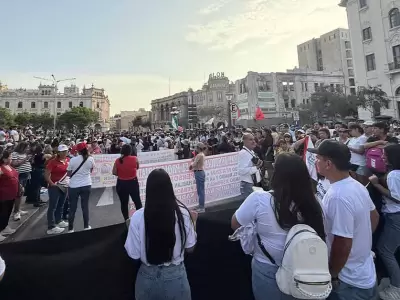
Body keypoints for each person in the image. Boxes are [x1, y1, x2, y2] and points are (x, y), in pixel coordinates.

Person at [231, 153, 326, 300]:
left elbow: (235, 223)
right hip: (305, 269)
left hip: (268, 268)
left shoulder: (259, 199)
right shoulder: (315, 203)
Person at [309, 140, 380, 300]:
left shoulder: (337, 196)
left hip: (348, 280)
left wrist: (333, 273)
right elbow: (374, 218)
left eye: (318, 158)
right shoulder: (356, 186)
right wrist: (361, 243)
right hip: (364, 271)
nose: (315, 162)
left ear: (328, 163)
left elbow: (343, 242)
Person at [125, 169, 197, 300]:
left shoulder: (137, 217)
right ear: (170, 188)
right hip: (176, 277)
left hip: (147, 279)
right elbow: (190, 248)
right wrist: (194, 224)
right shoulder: (183, 214)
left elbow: (133, 254)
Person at [369, 144, 400, 300]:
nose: (382, 157)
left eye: (385, 155)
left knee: (385, 251)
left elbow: (397, 197)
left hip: (395, 217)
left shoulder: (394, 174)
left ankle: (397, 288)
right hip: (394, 217)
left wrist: (376, 185)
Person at [67, 142, 95, 233]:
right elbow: (91, 170)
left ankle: (71, 228)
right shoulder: (91, 159)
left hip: (74, 186)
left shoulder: (73, 160)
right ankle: (86, 226)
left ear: (78, 151)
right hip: (86, 184)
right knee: (85, 206)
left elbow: (69, 173)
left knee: (72, 207)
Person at [112, 144, 142, 221]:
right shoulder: (135, 158)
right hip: (133, 182)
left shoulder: (118, 160)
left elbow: (114, 172)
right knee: (137, 201)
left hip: (121, 183)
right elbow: (137, 167)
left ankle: (126, 220)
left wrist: (122, 173)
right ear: (130, 151)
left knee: (124, 203)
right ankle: (140, 219)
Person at [45, 144, 70, 235]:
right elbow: (46, 174)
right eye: (63, 152)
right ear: (59, 153)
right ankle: (51, 226)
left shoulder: (68, 160)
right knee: (53, 206)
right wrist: (52, 184)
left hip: (65, 185)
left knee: (61, 204)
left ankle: (58, 220)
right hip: (55, 186)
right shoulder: (53, 162)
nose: (65, 153)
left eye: (66, 151)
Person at [0, 151, 19, 242]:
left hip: (12, 194)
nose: (11, 159)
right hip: (3, 195)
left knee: (8, 212)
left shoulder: (10, 167)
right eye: (10, 157)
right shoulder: (1, 168)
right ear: (4, 159)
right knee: (2, 213)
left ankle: (5, 227)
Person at [11, 141, 31, 221]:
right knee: (18, 193)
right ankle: (16, 212)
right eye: (26, 147)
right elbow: (14, 164)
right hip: (19, 175)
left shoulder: (24, 154)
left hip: (25, 174)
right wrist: (25, 159)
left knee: (21, 192)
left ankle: (19, 209)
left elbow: (26, 163)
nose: (28, 149)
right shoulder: (15, 154)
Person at [238, 133, 262, 199]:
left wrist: (258, 164)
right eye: (250, 140)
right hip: (248, 185)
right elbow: (241, 171)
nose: (253, 141)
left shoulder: (251, 152)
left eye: (253, 139)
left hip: (254, 183)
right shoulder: (243, 153)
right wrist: (256, 167)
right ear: (244, 141)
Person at [190, 142, 207, 213]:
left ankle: (202, 207)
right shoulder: (201, 155)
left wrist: (191, 165)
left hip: (199, 172)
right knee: (200, 190)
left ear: (198, 148)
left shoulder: (199, 155)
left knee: (200, 191)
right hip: (199, 172)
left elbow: (193, 164)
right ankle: (200, 205)